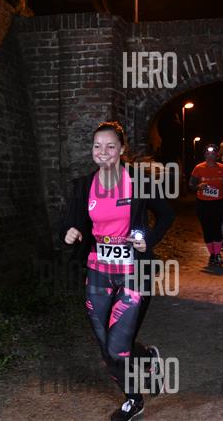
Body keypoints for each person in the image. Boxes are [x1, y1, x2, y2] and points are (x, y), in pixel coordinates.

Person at [60, 121, 175, 421]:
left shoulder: (139, 181)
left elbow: (166, 214)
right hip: (98, 271)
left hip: (133, 272)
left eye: (110, 146)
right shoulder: (84, 186)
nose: (103, 152)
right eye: (97, 146)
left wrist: (148, 239)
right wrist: (70, 232)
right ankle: (136, 390)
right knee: (106, 347)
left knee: (117, 347)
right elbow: (71, 222)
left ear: (122, 149)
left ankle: (139, 379)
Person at [188, 144, 223, 266]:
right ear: (205, 155)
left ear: (217, 155)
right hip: (203, 203)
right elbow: (191, 185)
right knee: (207, 229)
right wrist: (198, 186)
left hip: (218, 203)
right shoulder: (198, 168)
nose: (210, 156)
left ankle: (217, 254)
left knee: (216, 228)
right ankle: (212, 255)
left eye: (213, 154)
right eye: (208, 154)